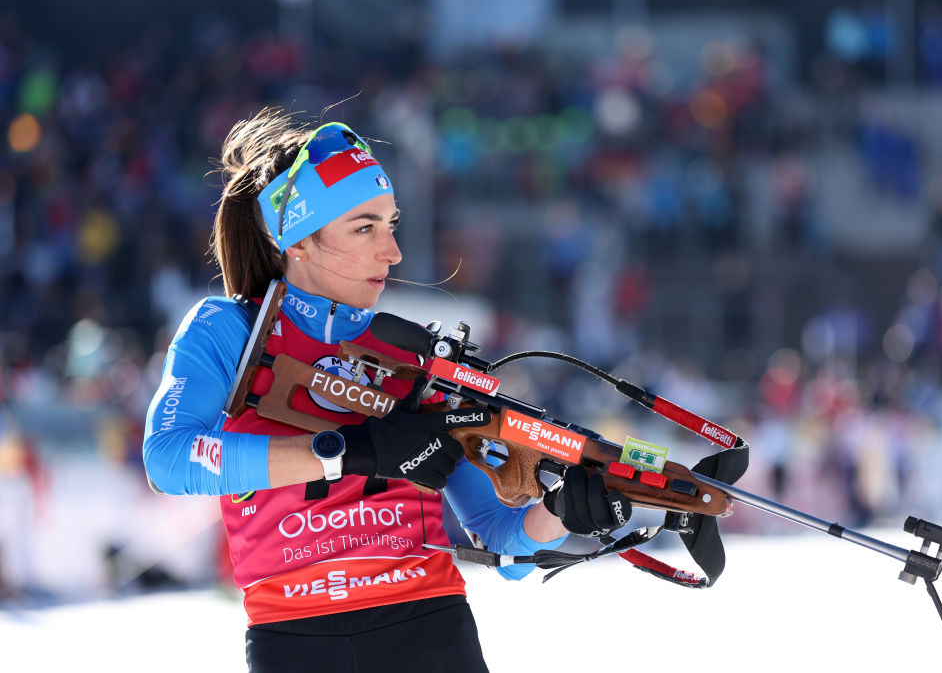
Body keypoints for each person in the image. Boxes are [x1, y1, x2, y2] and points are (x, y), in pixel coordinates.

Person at [142, 108, 631, 673]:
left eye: (391, 224)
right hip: (292, 637)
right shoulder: (227, 330)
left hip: (428, 629)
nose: (392, 252)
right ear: (297, 238)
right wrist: (348, 453)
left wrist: (563, 511)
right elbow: (169, 459)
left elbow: (502, 543)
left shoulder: (416, 353)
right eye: (364, 227)